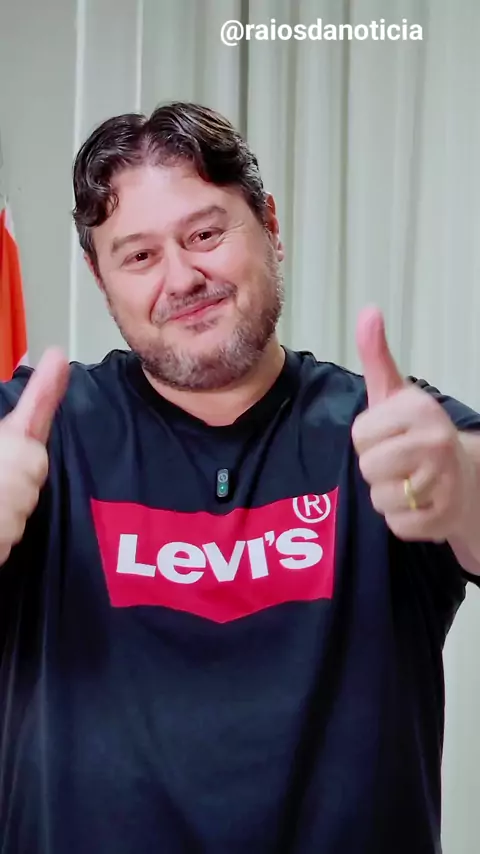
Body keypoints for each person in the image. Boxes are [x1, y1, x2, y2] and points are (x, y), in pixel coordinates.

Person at [0, 101, 479, 854]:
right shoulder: (36, 430)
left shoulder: (388, 430)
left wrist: (462, 484)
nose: (182, 277)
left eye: (205, 234)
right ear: (100, 277)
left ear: (270, 225)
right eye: (139, 256)